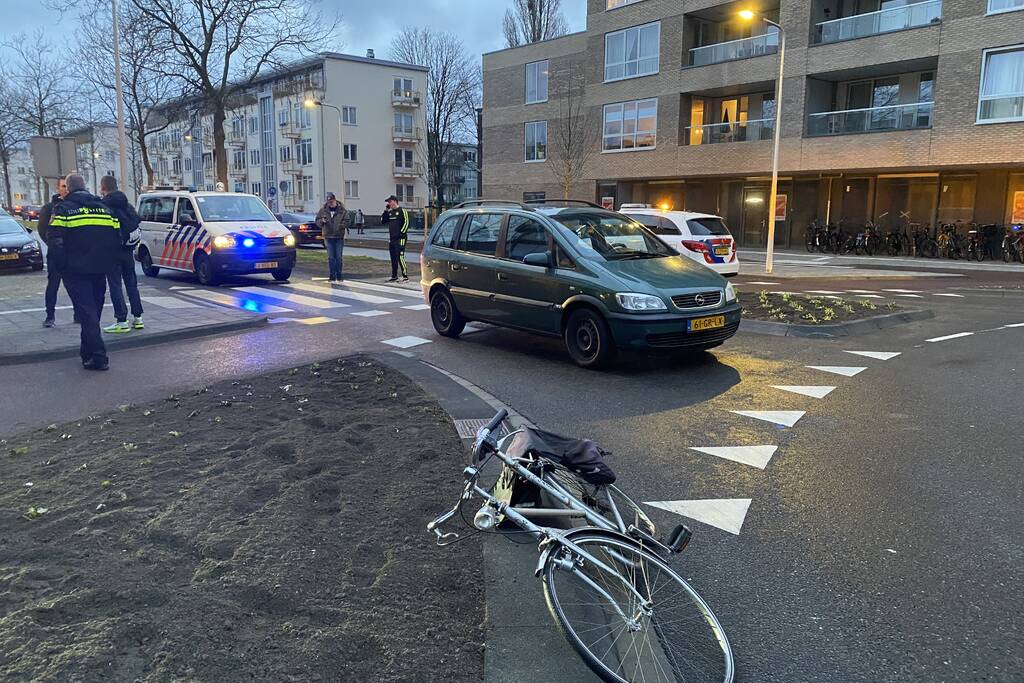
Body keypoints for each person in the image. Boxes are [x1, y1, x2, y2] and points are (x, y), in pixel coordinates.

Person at [47, 173, 121, 371]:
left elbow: (54, 240)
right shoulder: (104, 209)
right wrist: (109, 263)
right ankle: (87, 353)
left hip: (76, 271)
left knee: (87, 313)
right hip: (100, 270)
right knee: (92, 311)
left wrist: (62, 266)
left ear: (69, 188)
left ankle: (99, 356)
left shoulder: (63, 209)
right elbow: (117, 238)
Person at [99, 175, 144, 333]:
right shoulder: (126, 204)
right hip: (128, 250)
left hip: (112, 252)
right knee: (131, 284)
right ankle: (138, 318)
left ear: (103, 188)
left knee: (115, 285)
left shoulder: (104, 206)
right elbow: (137, 220)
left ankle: (121, 320)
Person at [36, 178, 71, 327]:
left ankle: (79, 314)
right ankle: (50, 316)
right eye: (63, 186)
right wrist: (53, 245)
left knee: (73, 284)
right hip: (55, 254)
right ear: (58, 188)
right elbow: (42, 230)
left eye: (67, 186)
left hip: (72, 253)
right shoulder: (49, 208)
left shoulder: (73, 206)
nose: (66, 189)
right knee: (53, 285)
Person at [315, 192, 350, 282]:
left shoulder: (342, 210)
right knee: (331, 257)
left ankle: (339, 275)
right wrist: (322, 221)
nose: (330, 204)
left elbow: (347, 221)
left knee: (338, 257)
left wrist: (340, 226)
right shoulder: (323, 210)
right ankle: (332, 275)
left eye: (331, 202)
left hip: (339, 236)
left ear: (335, 200)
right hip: (328, 236)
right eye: (328, 202)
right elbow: (317, 221)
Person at [381, 195, 410, 283]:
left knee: (400, 256)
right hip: (392, 239)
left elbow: (406, 223)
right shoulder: (390, 213)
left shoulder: (402, 211)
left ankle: (405, 277)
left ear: (394, 201)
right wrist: (386, 210)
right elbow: (383, 221)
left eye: (390, 202)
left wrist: (401, 233)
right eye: (388, 202)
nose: (389, 204)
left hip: (400, 238)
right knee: (393, 257)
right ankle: (394, 276)